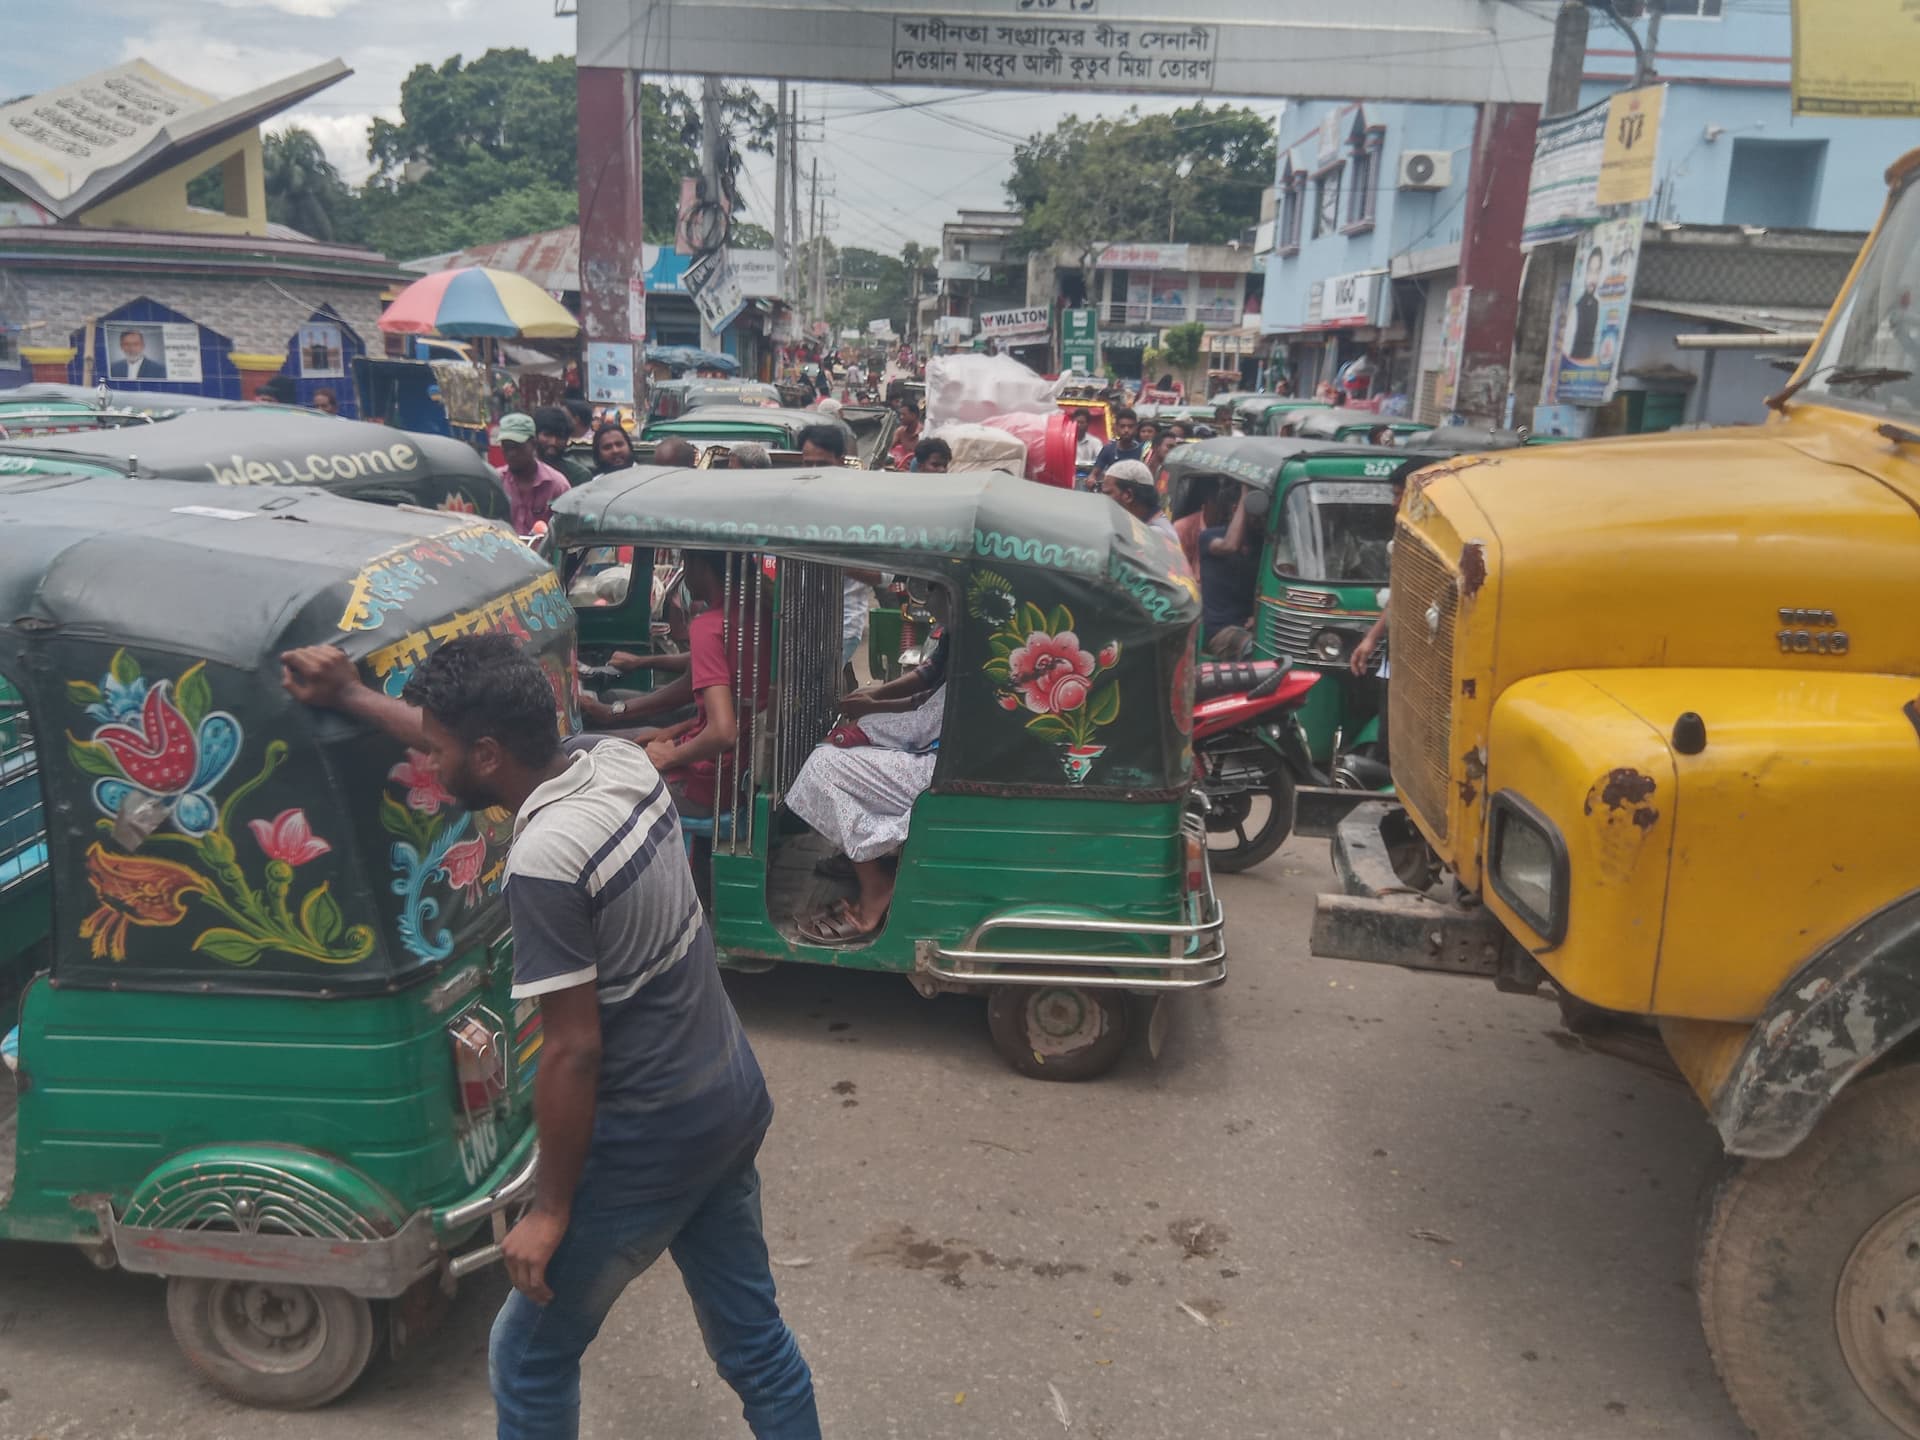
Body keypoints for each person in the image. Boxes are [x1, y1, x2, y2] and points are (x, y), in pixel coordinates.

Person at [277, 636, 817, 1440]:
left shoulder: (546, 857)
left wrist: (551, 1211)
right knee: (754, 1343)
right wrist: (353, 696)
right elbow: (450, 732)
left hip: (648, 1139)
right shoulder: (614, 763)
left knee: (527, 1358)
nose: (430, 761)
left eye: (442, 749)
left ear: (489, 753)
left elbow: (574, 1049)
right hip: (725, 1100)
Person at [786, 620, 949, 945]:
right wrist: (871, 715)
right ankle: (866, 854)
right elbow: (928, 699)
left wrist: (866, 726)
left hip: (943, 767)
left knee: (823, 765)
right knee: (846, 750)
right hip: (942, 754)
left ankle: (875, 880)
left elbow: (923, 720)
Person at [800, 425, 887, 681]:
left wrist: (833, 561)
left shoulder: (862, 509)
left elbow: (884, 576)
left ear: (841, 461)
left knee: (811, 691)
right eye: (808, 464)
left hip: (841, 626)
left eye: (823, 464)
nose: (815, 473)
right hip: (795, 625)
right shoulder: (795, 503)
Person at [1200, 486, 1260, 658]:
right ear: (1236, 509)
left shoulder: (1261, 544)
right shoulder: (1209, 537)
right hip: (1221, 631)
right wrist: (1244, 495)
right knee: (1251, 648)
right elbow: (1230, 545)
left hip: (1250, 627)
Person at [496, 413, 572, 534]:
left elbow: (568, 531)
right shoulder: (496, 481)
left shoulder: (557, 485)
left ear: (533, 444)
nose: (511, 453)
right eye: (507, 447)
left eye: (517, 447)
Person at [1101, 459, 1178, 544]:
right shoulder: (1139, 524)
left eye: (1108, 493)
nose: (1102, 498)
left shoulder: (1154, 534)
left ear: (1128, 495)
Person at [535, 406, 595, 487]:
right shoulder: (521, 470)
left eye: (560, 437)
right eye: (547, 435)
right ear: (535, 436)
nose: (553, 442)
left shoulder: (579, 475)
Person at [1091, 406, 1142, 490]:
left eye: (1130, 426)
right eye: (1122, 426)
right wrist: (1091, 479)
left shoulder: (1142, 451)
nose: (1126, 430)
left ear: (1136, 428)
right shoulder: (1108, 449)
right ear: (1116, 428)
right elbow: (1094, 474)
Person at [1570, 247, 1604, 360]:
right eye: (1590, 270)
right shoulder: (1576, 307)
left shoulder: (1597, 305)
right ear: (1585, 272)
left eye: (1597, 271)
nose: (1593, 278)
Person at [563, 398, 596, 465]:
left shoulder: (597, 442)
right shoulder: (558, 440)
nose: (559, 419)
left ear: (576, 419)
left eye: (563, 416)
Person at [1069, 408, 1101, 472]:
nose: (1078, 425)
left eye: (1082, 423)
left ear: (1087, 424)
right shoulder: (1065, 441)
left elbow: (1101, 461)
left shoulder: (1095, 442)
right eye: (1077, 422)